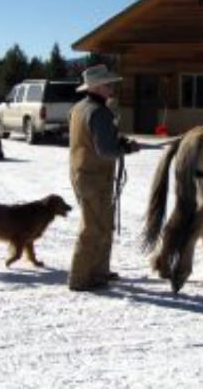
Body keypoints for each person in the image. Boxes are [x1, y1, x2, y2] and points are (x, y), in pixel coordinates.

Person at [67, 64, 138, 291]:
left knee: (103, 224)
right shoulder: (99, 112)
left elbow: (97, 141)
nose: (111, 88)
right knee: (92, 227)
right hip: (94, 176)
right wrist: (126, 148)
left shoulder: (79, 108)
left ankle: (99, 272)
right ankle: (79, 278)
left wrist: (120, 143)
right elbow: (106, 150)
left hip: (83, 172)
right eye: (108, 84)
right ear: (97, 87)